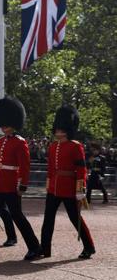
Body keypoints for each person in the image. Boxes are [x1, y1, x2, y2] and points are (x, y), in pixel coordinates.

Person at [0, 96, 42, 260]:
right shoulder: (0, 142)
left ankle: (35, 247)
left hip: (11, 185)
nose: (4, 125)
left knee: (17, 216)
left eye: (7, 122)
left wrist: (22, 185)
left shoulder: (20, 142)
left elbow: (24, 166)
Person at [41, 105, 95, 259]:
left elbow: (81, 169)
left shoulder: (75, 146)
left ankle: (89, 246)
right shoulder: (52, 147)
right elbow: (51, 169)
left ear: (67, 129)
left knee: (75, 218)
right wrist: (49, 185)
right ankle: (45, 248)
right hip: (54, 189)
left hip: (69, 188)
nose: (58, 131)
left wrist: (80, 189)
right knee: (48, 218)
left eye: (61, 128)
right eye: (57, 128)